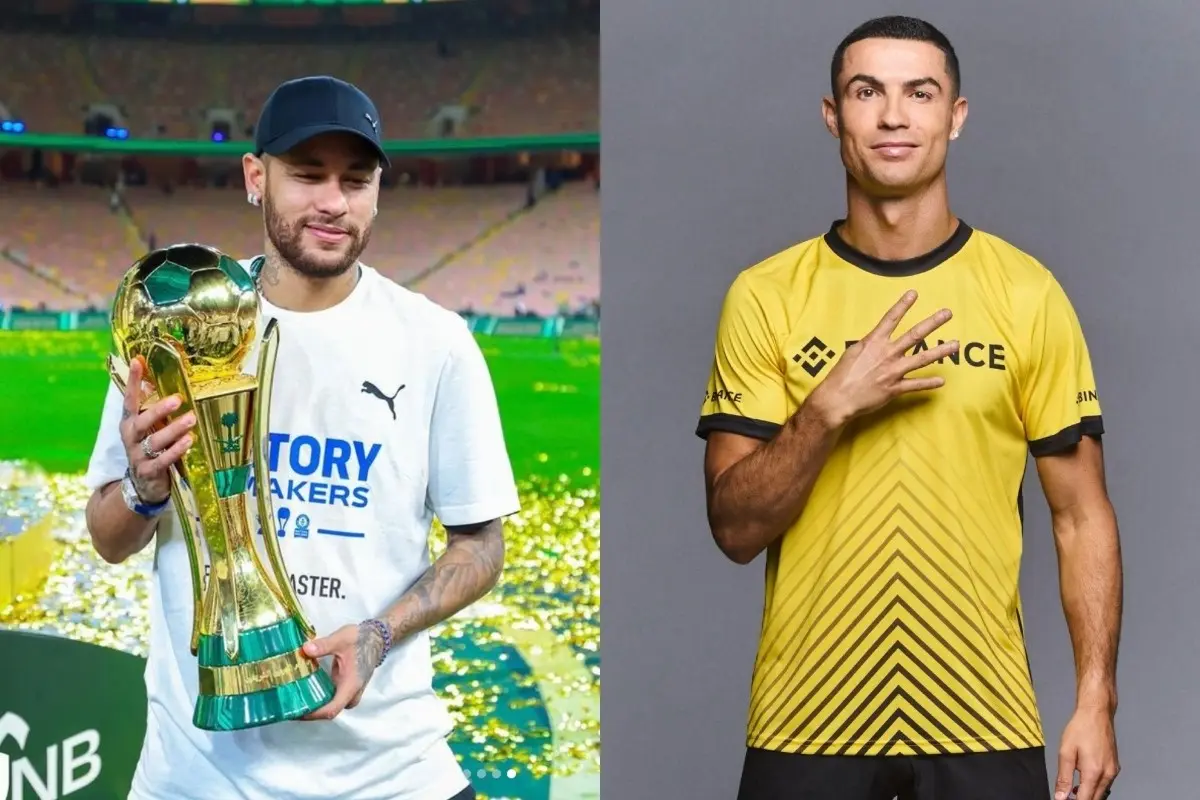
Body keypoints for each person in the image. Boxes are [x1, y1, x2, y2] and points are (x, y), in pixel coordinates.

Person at [695, 16, 1121, 800]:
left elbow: (1081, 516)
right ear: (834, 116)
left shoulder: (1027, 294)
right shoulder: (765, 296)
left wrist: (1096, 699)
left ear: (955, 116)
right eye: (868, 92)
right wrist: (827, 409)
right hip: (807, 722)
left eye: (919, 93)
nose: (894, 116)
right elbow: (734, 530)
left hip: (984, 722)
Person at [83, 76, 520, 800]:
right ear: (256, 179)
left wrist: (380, 635)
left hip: (389, 777)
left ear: (379, 189)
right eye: (307, 175)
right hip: (196, 780)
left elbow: (481, 546)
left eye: (356, 180)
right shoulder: (176, 325)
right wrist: (145, 486)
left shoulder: (437, 344)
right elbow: (107, 535)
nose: (333, 202)